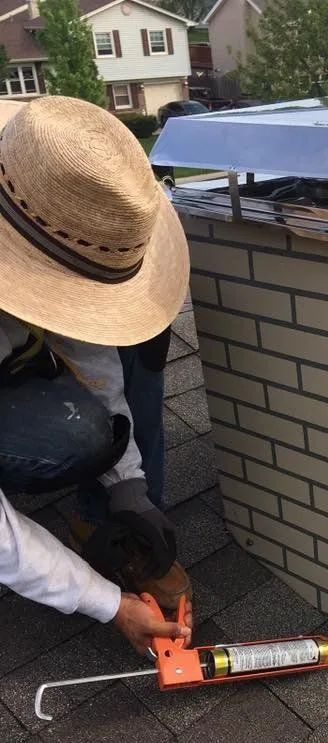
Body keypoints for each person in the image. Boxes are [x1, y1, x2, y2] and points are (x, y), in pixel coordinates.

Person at [0, 96, 193, 655]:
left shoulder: (39, 186)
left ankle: (110, 524)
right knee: (80, 438)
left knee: (141, 342)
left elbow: (93, 349)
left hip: (15, 353)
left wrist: (128, 485)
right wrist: (107, 602)